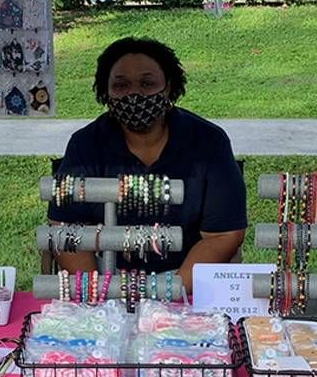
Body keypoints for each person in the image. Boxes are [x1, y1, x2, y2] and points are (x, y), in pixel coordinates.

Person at [48, 37, 247, 292]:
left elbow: (223, 235)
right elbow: (65, 228)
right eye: (121, 85)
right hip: (106, 281)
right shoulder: (85, 145)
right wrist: (98, 294)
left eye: (147, 83)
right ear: (105, 92)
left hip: (187, 283)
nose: (135, 94)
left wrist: (172, 290)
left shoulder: (209, 143)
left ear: (169, 87)